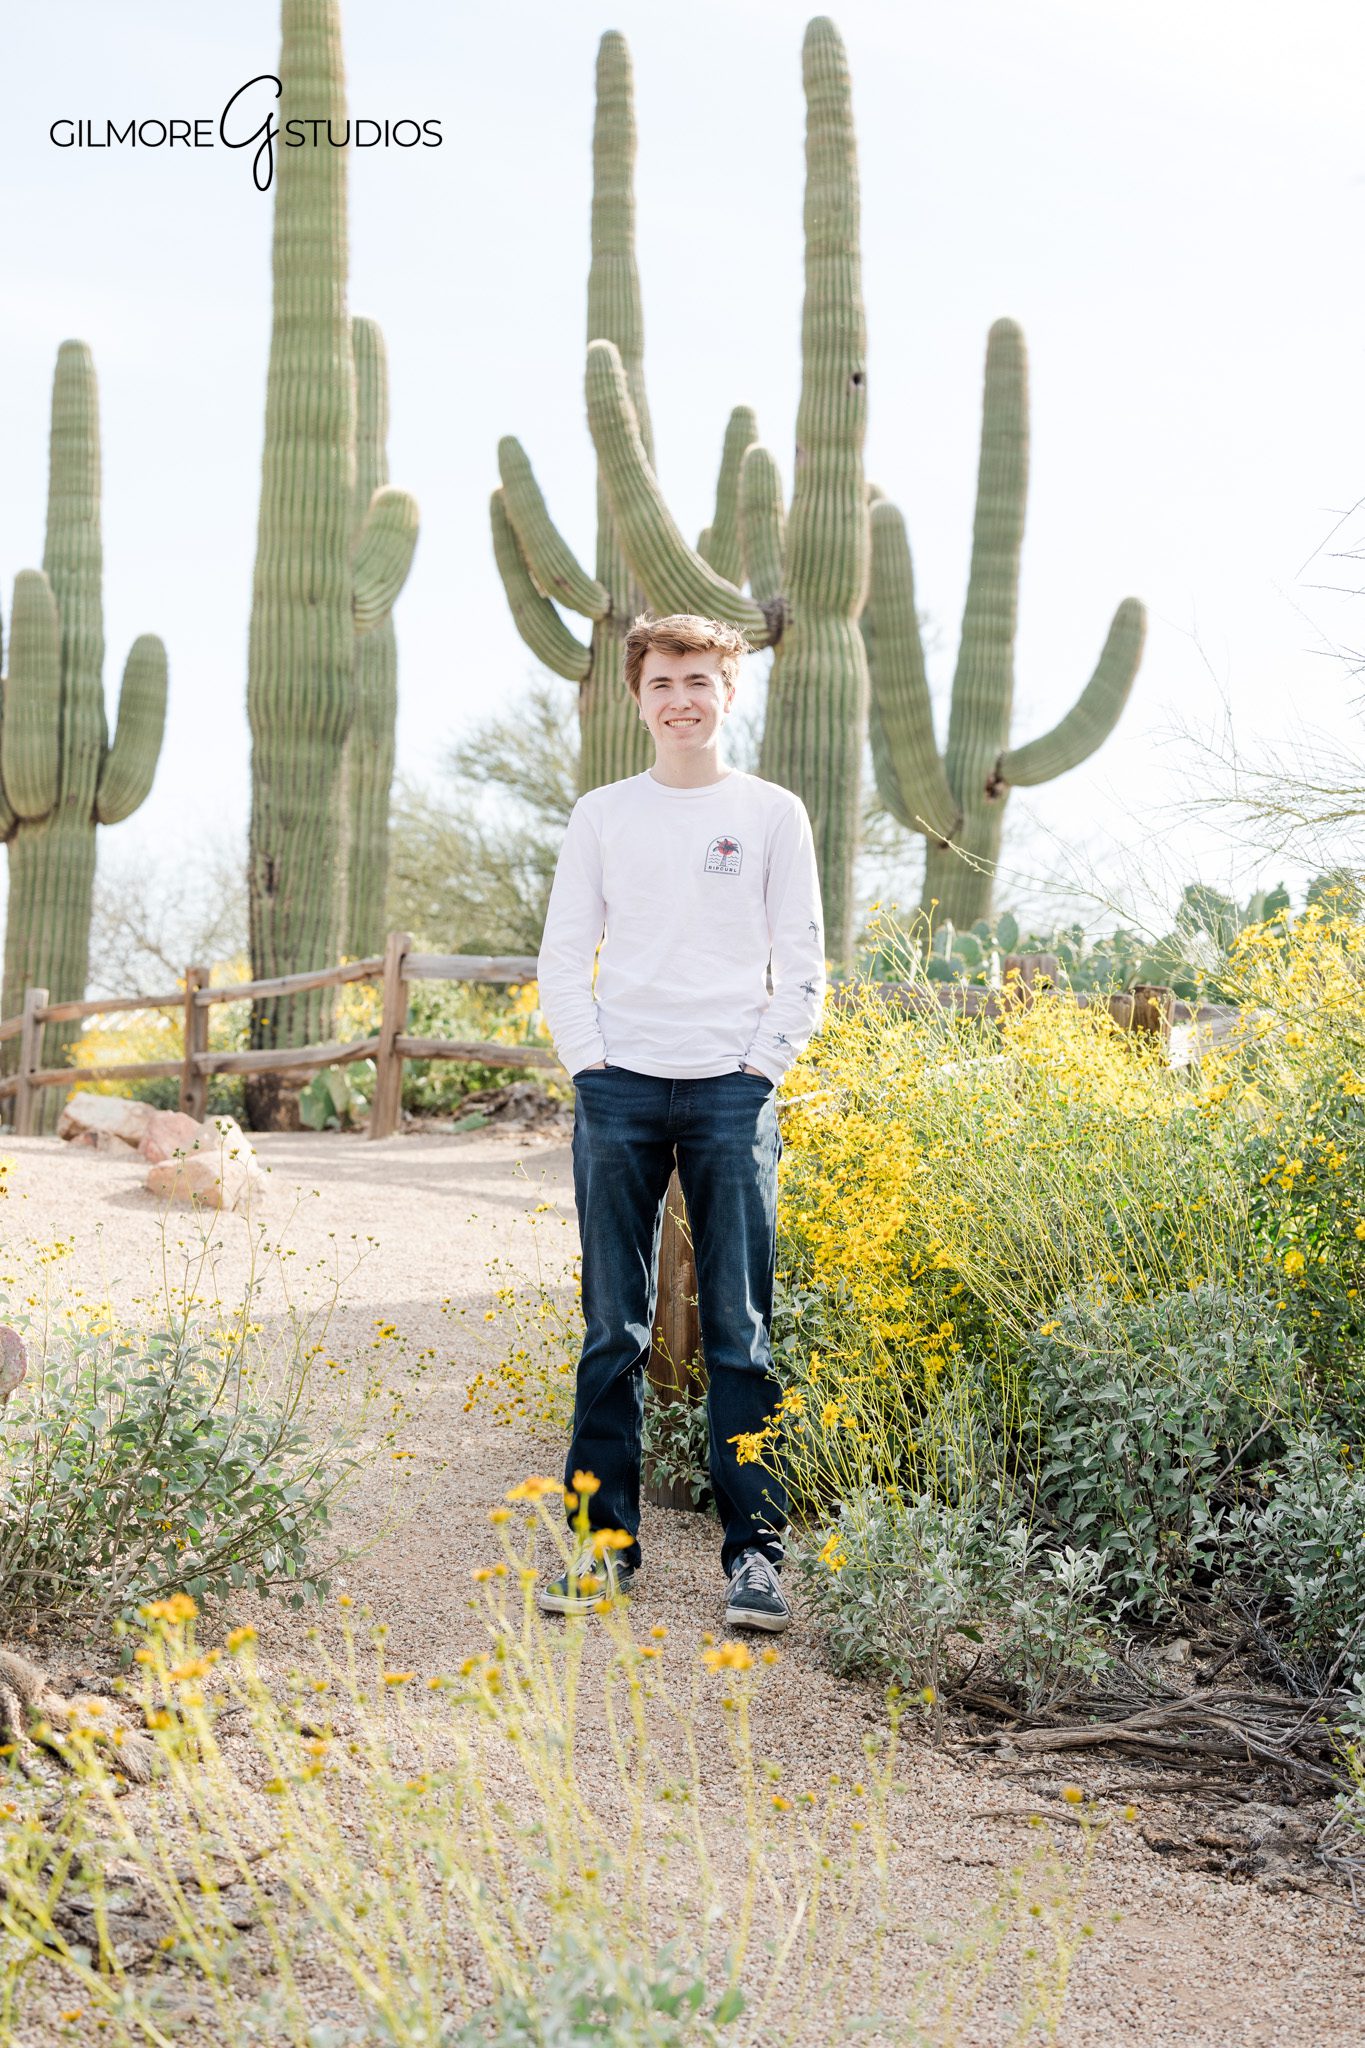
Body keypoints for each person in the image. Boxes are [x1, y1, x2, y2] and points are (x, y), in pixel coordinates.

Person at [534, 612, 827, 1632]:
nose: (682, 698)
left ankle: (755, 1556)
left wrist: (759, 1069)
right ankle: (601, 1547)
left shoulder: (772, 812)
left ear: (728, 692)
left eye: (700, 679)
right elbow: (565, 954)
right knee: (611, 1325)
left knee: (741, 1331)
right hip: (620, 1086)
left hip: (728, 1090)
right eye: (663, 681)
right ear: (639, 696)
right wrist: (591, 1062)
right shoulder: (603, 814)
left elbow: (803, 961)